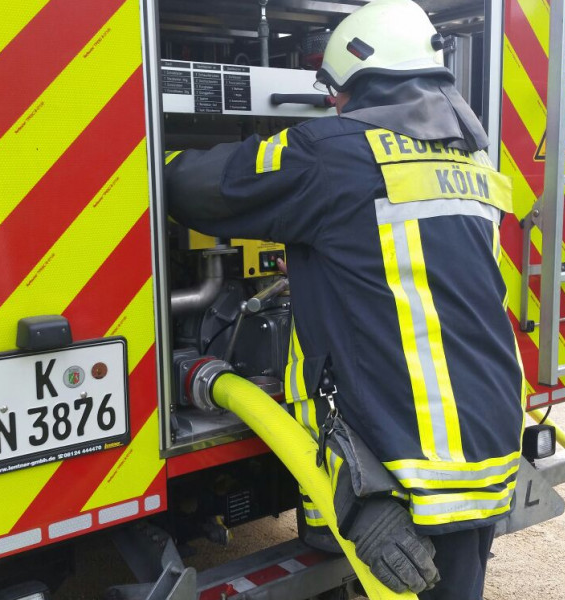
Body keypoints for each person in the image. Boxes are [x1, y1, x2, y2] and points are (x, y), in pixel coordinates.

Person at [165, 1, 525, 598]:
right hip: (486, 436)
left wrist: (144, 154)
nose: (333, 107)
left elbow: (199, 187)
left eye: (334, 94)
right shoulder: (474, 160)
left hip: (411, 466)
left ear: (358, 79)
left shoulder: (331, 151)